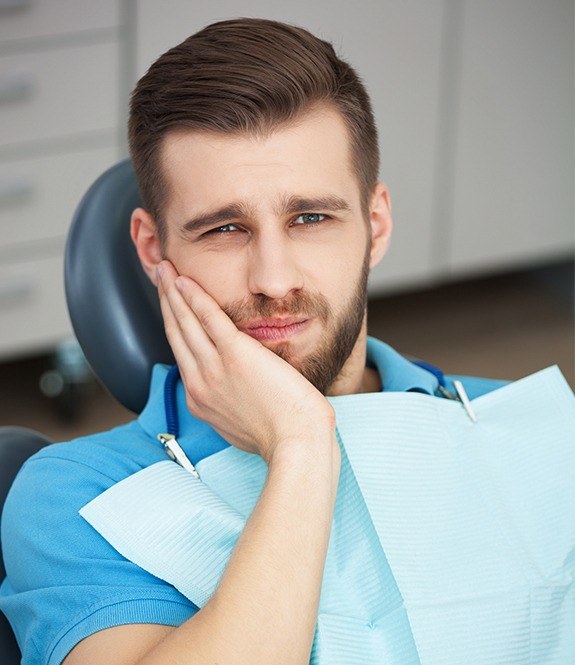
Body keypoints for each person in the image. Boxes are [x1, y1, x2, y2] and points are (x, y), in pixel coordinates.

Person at [0, 18, 511, 665]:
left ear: (375, 225)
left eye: (310, 217)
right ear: (152, 248)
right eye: (224, 229)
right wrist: (301, 443)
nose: (273, 280)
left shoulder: (513, 430)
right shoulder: (74, 496)